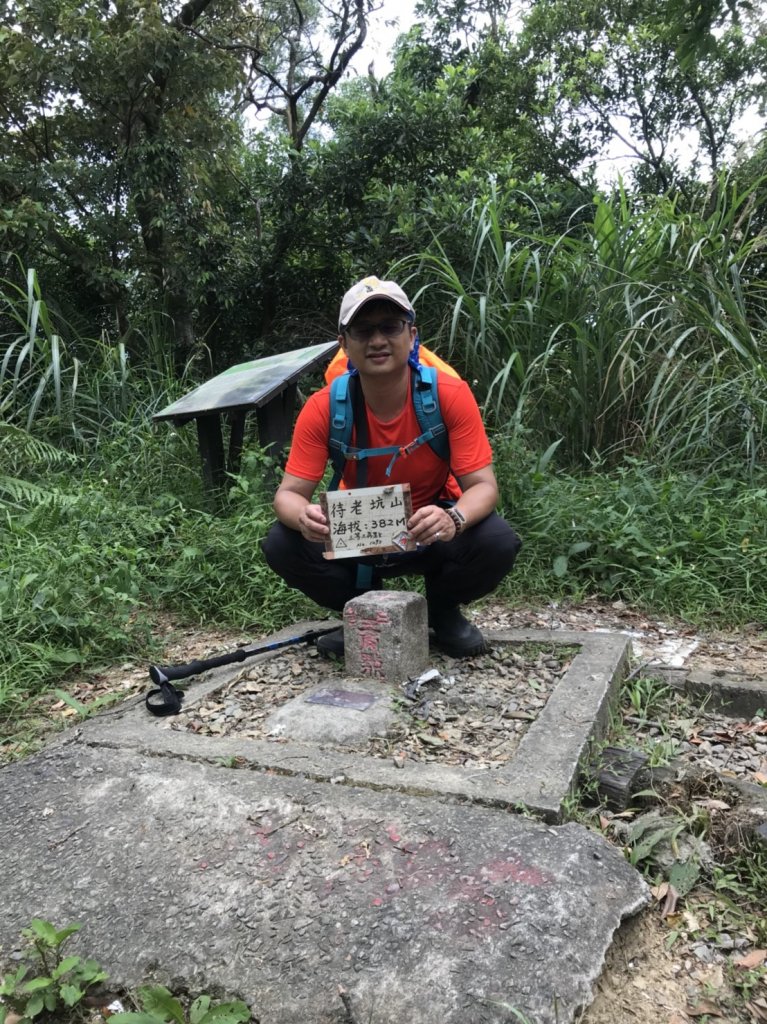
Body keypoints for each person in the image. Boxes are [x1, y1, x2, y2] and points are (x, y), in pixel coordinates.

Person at [261, 275, 521, 658]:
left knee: (496, 541)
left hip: (432, 530)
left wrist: (454, 520)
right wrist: (304, 517)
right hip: (358, 534)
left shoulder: (448, 395)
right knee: (282, 544)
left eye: (390, 326)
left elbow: (483, 486)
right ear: (344, 344)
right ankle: (366, 612)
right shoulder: (323, 408)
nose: (378, 340)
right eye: (363, 330)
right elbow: (288, 495)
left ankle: (440, 611)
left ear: (412, 335)